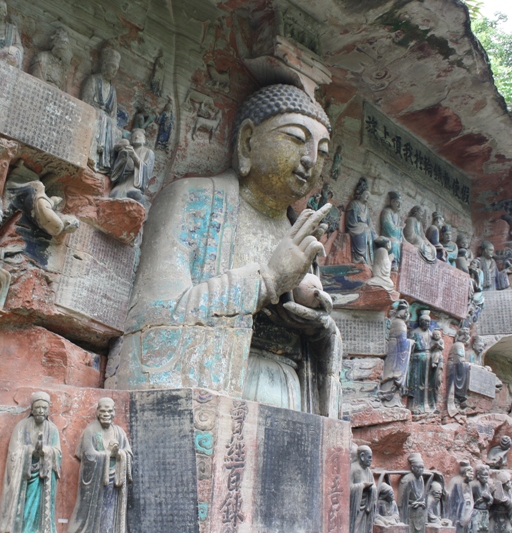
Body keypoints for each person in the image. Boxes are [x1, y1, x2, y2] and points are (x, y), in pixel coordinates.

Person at [108, 83, 341, 418]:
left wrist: (316, 323)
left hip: (291, 393)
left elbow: (314, 349)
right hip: (217, 394)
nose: (310, 160)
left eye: (322, 151)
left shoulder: (300, 231)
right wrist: (268, 281)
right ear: (247, 140)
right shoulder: (191, 201)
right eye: (294, 138)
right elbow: (153, 320)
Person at [68, 398, 133, 533]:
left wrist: (119, 453)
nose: (106, 414)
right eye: (102, 411)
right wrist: (107, 455)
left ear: (114, 413)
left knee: (110, 510)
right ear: (97, 412)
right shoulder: (91, 431)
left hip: (115, 479)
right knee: (94, 510)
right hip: (96, 481)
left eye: (109, 411)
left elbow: (128, 453)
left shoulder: (119, 432)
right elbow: (88, 454)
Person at [0, 392, 61, 533]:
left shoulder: (52, 429)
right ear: (32, 409)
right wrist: (30, 451)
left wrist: (46, 451)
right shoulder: (22, 426)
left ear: (48, 410)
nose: (40, 411)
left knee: (42, 507)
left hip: (44, 475)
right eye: (37, 407)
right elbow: (14, 451)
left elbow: (58, 452)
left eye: (44, 408)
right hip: (25, 474)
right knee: (26, 506)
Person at [81, 46, 121, 174]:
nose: (114, 71)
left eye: (116, 69)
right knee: (100, 120)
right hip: (95, 115)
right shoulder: (93, 80)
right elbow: (86, 101)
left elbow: (113, 113)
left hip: (107, 121)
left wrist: (111, 121)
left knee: (114, 127)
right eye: (112, 67)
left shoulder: (113, 90)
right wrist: (97, 111)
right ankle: (91, 158)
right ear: (104, 65)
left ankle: (105, 163)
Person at [379, 300, 414, 407]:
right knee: (393, 373)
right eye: (405, 311)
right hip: (396, 352)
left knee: (390, 372)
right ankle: (389, 398)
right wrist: (410, 342)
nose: (406, 314)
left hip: (393, 350)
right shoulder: (399, 323)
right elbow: (402, 342)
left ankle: (393, 399)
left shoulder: (395, 321)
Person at [109, 128, 155, 203]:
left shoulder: (148, 152)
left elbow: (146, 170)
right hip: (124, 181)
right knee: (113, 194)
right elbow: (118, 170)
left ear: (144, 139)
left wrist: (134, 155)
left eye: (139, 136)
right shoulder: (127, 150)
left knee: (134, 194)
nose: (136, 137)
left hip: (134, 180)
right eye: (134, 136)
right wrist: (122, 155)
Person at [408, 310, 434, 413]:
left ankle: (426, 405)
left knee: (427, 384)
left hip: (428, 360)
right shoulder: (414, 333)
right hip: (417, 360)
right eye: (425, 321)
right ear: (420, 321)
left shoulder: (430, 334)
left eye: (428, 322)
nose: (427, 324)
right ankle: (415, 405)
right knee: (416, 382)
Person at [345, 177, 374, 265]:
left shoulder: (367, 209)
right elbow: (350, 220)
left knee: (371, 234)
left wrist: (370, 229)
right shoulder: (354, 204)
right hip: (356, 227)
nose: (367, 198)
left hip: (365, 228)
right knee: (364, 233)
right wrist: (362, 227)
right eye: (366, 195)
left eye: (368, 196)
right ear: (360, 194)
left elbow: (370, 223)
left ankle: (369, 260)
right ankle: (358, 257)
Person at [349, 445, 376, 533]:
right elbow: (348, 488)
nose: (371, 460)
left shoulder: (368, 471)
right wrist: (362, 486)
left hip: (366, 506)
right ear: (362, 456)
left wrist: (372, 488)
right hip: (356, 506)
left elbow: (374, 487)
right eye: (369, 457)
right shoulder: (353, 468)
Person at [398, 453, 427, 533]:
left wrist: (421, 503)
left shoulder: (421, 479)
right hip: (410, 512)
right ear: (412, 468)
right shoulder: (407, 479)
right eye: (418, 467)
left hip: (420, 514)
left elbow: (422, 497)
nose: (421, 470)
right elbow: (401, 501)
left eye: (422, 468)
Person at [380, 191, 403, 271]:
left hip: (396, 238)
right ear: (392, 202)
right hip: (387, 236)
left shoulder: (398, 216)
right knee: (395, 243)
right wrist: (400, 228)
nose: (399, 205)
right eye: (397, 202)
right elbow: (389, 228)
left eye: (400, 203)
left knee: (404, 246)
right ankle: (393, 263)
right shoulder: (387, 212)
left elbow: (401, 233)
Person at [470, 464, 493, 533]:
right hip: (476, 512)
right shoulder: (474, 485)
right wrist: (476, 502)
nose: (486, 478)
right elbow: (469, 499)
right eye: (484, 475)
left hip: (485, 511)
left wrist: (488, 498)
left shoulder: (486, 486)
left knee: (485, 529)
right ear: (478, 475)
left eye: (487, 476)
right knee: (475, 529)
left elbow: (491, 500)